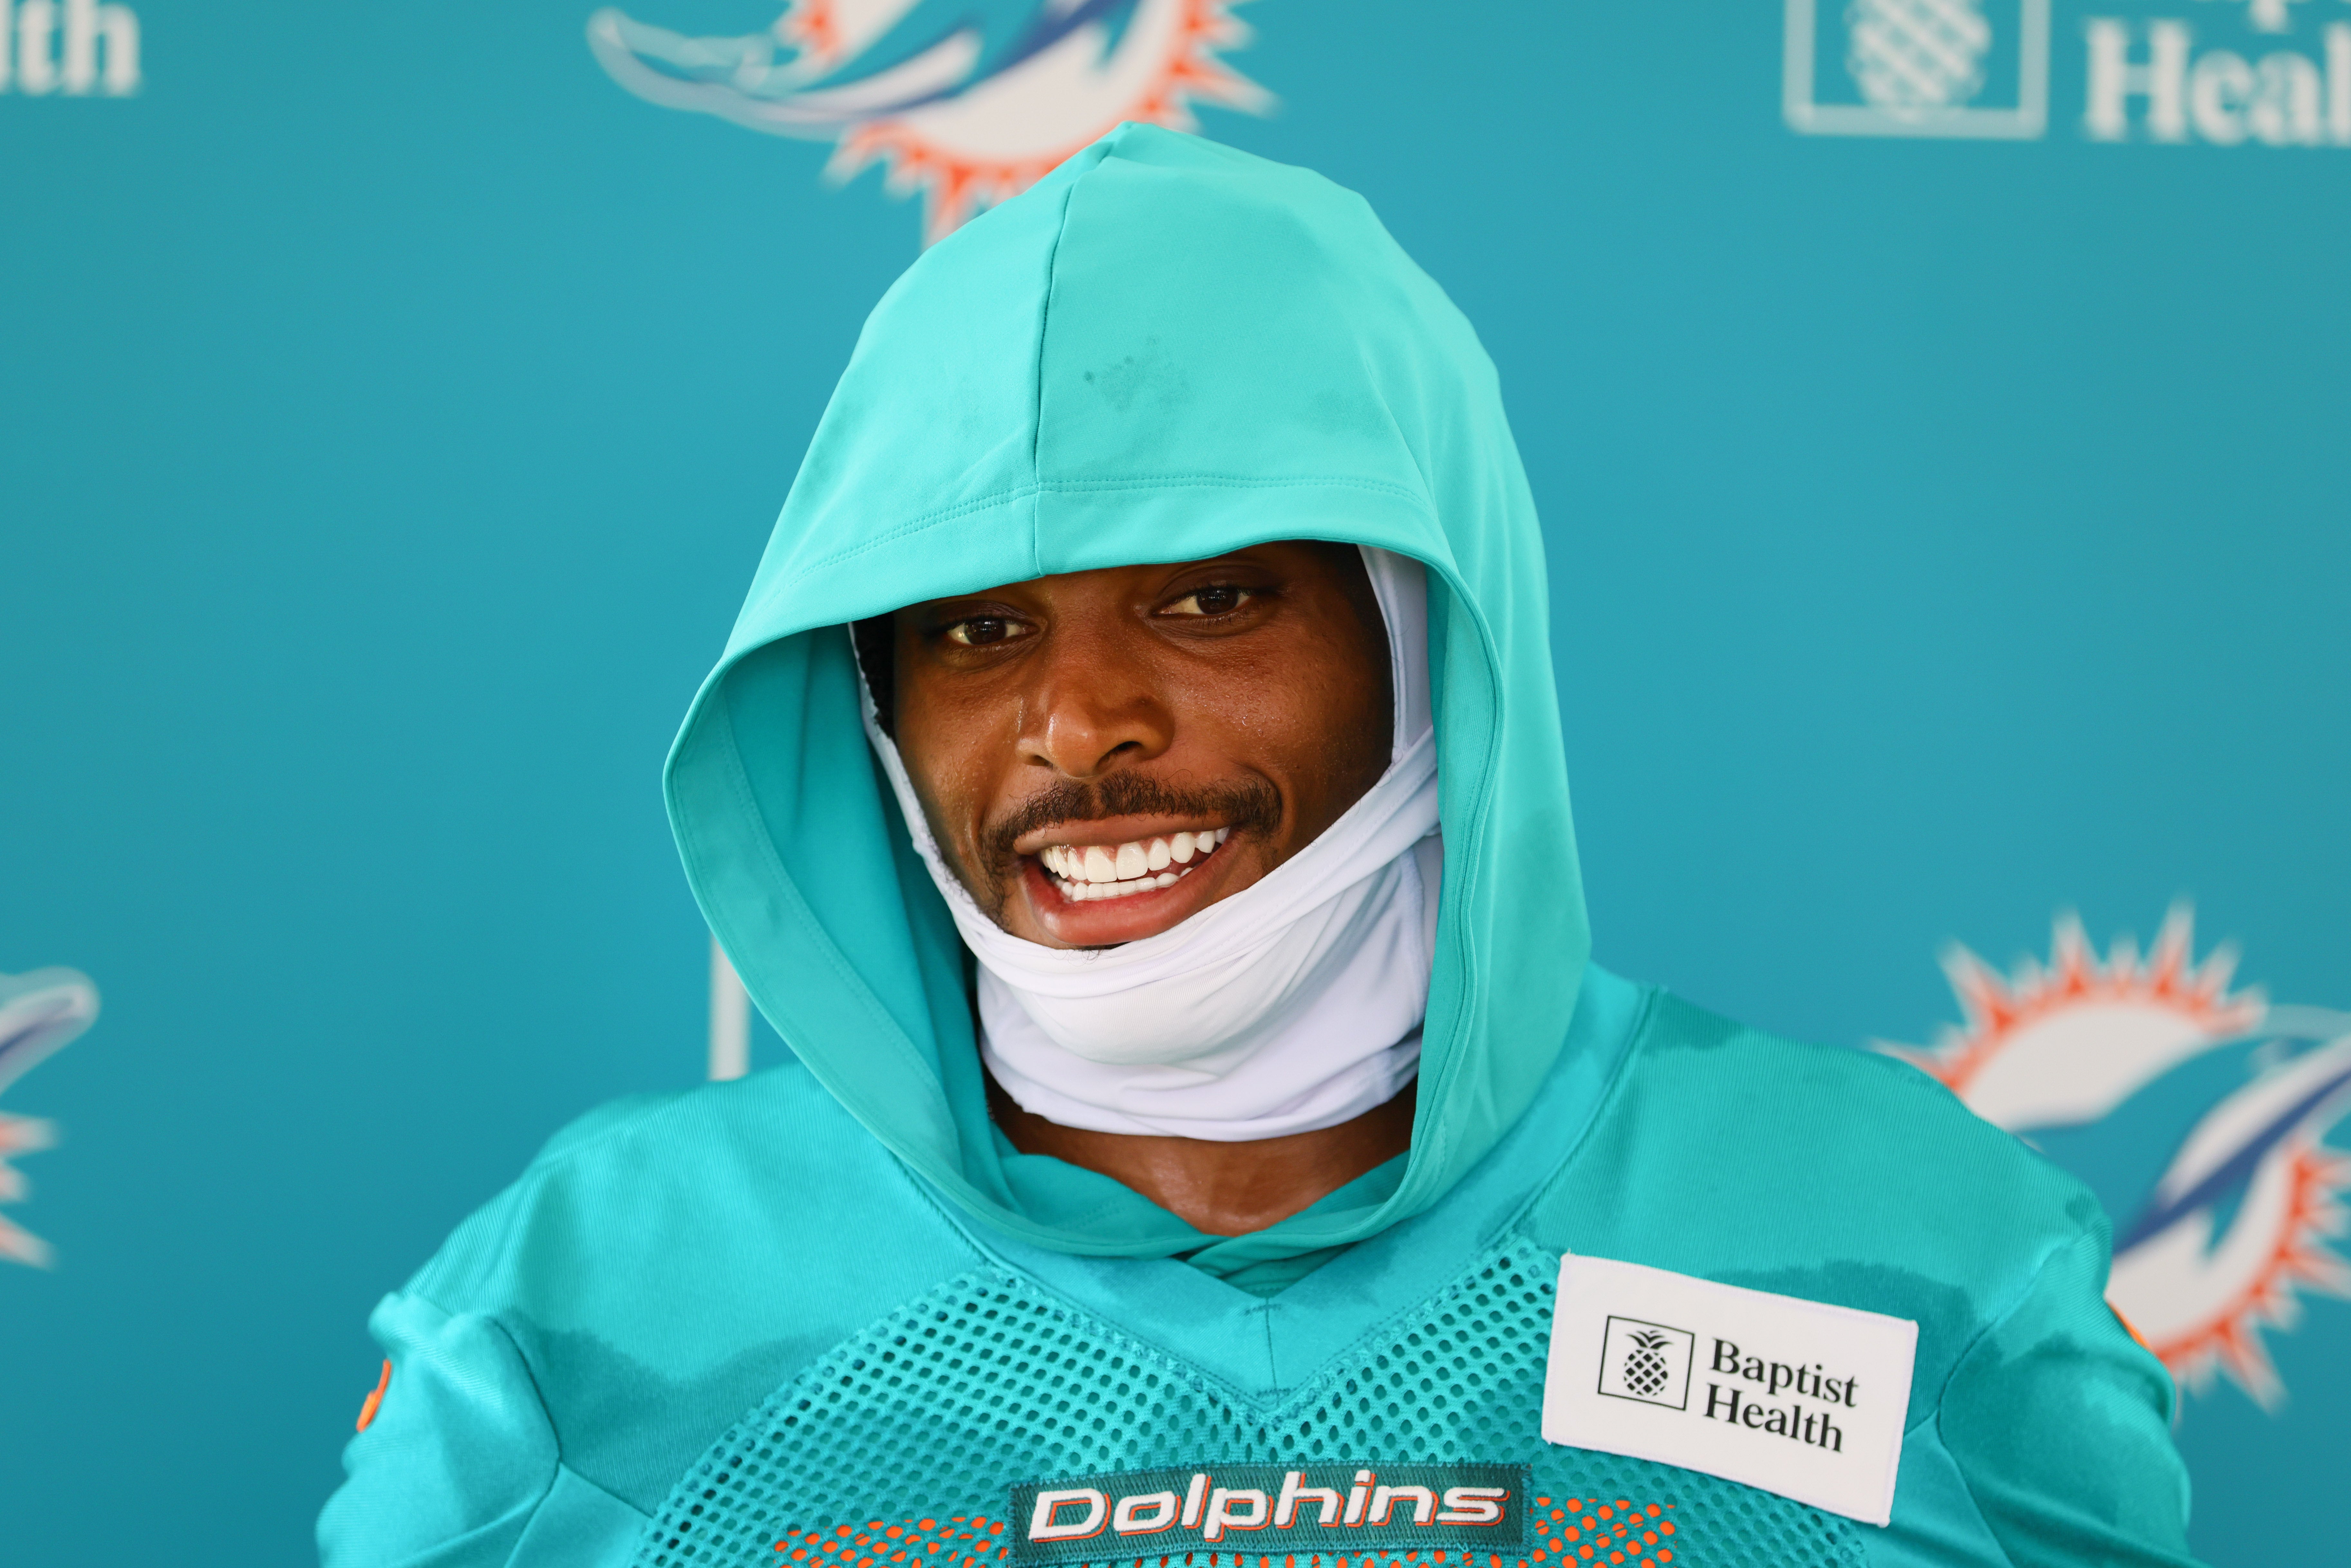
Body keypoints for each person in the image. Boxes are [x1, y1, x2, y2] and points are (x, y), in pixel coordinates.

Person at [318, 126, 2198, 1568]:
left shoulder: (1903, 1261)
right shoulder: (590, 1307)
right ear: (868, 698)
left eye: (1209, 597)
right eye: (976, 629)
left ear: (1425, 636)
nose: (1077, 723)